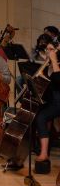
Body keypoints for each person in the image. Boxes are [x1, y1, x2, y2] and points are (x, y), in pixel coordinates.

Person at [34, 41, 60, 170]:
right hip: (52, 99)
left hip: (58, 101)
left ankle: (44, 153)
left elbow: (59, 81)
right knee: (36, 114)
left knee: (42, 117)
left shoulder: (56, 62)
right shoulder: (52, 62)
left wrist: (54, 60)